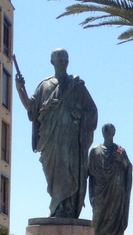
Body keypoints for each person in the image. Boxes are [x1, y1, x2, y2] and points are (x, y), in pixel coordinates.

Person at [16, 48, 98, 218]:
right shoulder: (44, 85)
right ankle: (56, 207)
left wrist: (80, 114)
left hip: (70, 139)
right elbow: (32, 108)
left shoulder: (77, 85)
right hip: (50, 140)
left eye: (66, 58)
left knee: (68, 173)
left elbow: (92, 110)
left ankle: (64, 209)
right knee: (52, 176)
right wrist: (19, 89)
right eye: (60, 58)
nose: (63, 61)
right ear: (52, 61)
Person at [88, 124, 133, 235]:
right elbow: (88, 172)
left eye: (110, 131)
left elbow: (128, 167)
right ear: (102, 133)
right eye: (106, 131)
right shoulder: (94, 151)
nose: (108, 133)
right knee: (97, 213)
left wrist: (122, 160)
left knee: (115, 213)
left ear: (114, 133)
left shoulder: (120, 150)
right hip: (100, 188)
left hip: (116, 186)